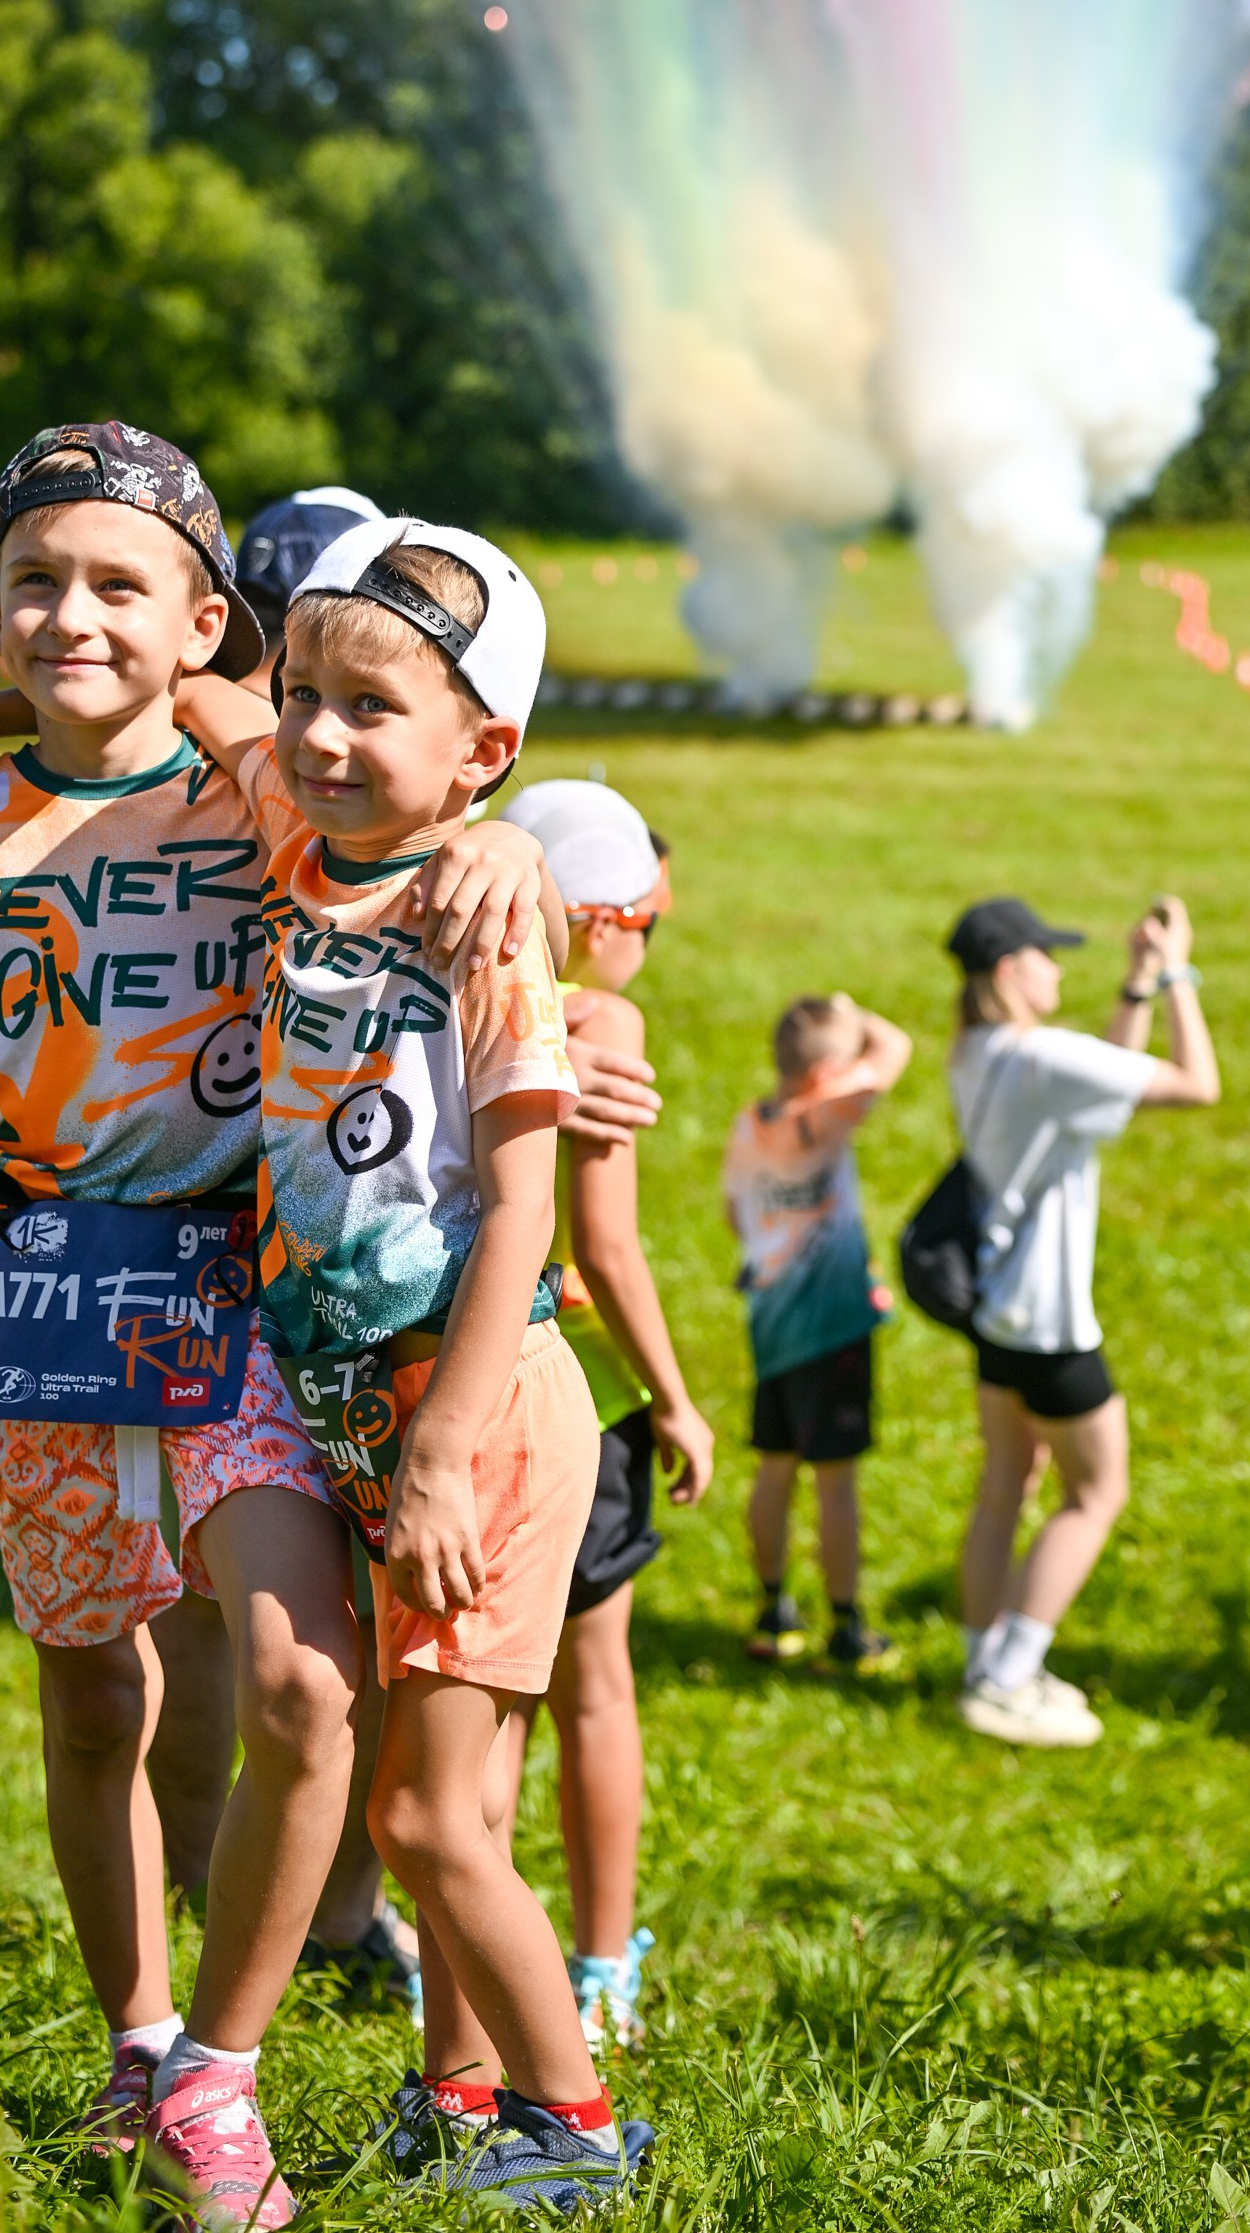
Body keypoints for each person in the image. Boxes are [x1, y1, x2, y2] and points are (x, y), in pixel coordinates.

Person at [0, 428, 554, 2227]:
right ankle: (137, 2039)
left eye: (121, 586)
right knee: (92, 1687)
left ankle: (219, 2081)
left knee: (293, 1680)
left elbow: (415, 767)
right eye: (35, 580)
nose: (69, 615)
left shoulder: (260, 778)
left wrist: (523, 862)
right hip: (31, 1298)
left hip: (231, 1291)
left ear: (206, 624)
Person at [171, 517, 654, 2204]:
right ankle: (458, 2102)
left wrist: (441, 1449)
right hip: (354, 1407)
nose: (316, 733)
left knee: (433, 1824)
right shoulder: (306, 837)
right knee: (427, 1796)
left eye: (370, 709)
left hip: (480, 1415)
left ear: (484, 750)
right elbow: (193, 683)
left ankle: (574, 2127)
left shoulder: (487, 920)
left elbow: (522, 1207)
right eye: (305, 692)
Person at [490, 779, 713, 2053]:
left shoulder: (449, 993)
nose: (649, 945)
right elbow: (610, 1253)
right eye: (647, 916)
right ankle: (597, 1961)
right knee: (592, 1690)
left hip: (436, 1374)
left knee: (475, 1709)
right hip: (573, 1389)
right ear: (595, 915)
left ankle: (469, 1959)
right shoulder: (601, 1016)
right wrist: (676, 1401)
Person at [947, 893, 1219, 1749]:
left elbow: (1105, 1084)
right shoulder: (1041, 1058)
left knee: (1005, 1482)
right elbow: (1196, 1086)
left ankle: (980, 1655)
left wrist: (1134, 986)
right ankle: (1009, 1676)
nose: (1060, 967)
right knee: (1097, 1493)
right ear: (1009, 970)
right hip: (1053, 1321)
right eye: (1047, 955)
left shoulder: (980, 1049)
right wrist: (1177, 975)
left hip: (996, 1308)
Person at [724, 993, 912, 1673]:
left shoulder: (751, 1124)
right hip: (832, 1327)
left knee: (774, 1466)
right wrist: (859, 1013)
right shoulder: (823, 1118)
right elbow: (896, 1050)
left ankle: (774, 1613)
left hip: (771, 1325)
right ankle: (846, 1626)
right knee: (836, 1481)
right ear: (827, 1070)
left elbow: (733, 1214)